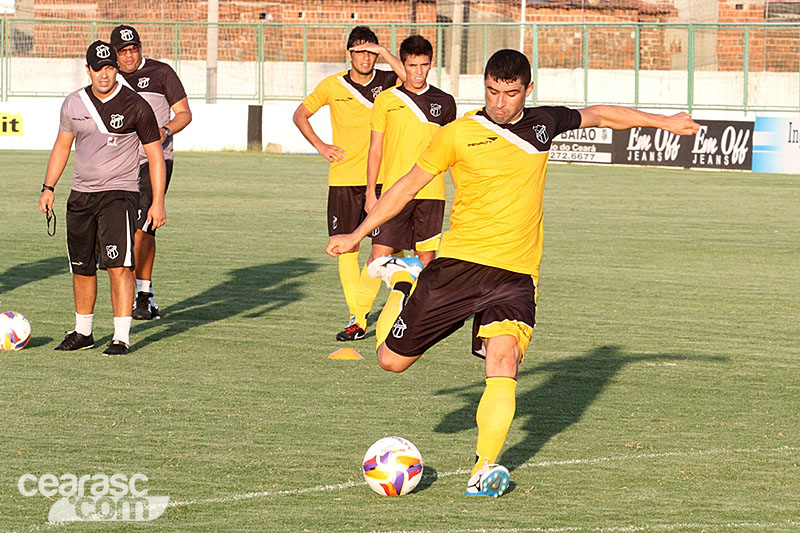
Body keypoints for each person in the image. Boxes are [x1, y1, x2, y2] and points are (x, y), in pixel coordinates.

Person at [326, 49, 700, 496]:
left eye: (510, 93)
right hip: (457, 267)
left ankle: (484, 468)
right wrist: (357, 234)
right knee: (391, 361)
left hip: (516, 275)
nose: (500, 102)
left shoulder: (542, 124)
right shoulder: (458, 133)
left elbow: (600, 114)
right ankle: (408, 281)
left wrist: (666, 121)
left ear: (528, 90)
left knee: (504, 360)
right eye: (492, 91)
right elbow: (406, 185)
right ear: (483, 86)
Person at [38, 40, 166, 356]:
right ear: (88, 70)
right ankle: (83, 332)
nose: (105, 75)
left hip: (119, 195)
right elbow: (62, 146)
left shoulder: (136, 105)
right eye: (99, 69)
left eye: (110, 68)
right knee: (81, 266)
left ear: (116, 69)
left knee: (118, 265)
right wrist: (48, 187)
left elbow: (155, 156)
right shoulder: (73, 104)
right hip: (81, 196)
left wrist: (158, 201)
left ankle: (121, 337)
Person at [293, 26, 405, 342]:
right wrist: (321, 145)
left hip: (384, 178)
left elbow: (410, 80)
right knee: (347, 247)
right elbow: (300, 114)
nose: (366, 58)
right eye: (360, 52)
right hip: (343, 179)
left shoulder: (387, 82)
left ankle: (400, 300)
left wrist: (384, 51)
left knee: (386, 248)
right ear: (349, 54)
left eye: (370, 52)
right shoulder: (332, 85)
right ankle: (357, 317)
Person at [343, 34, 456, 342]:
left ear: (431, 64)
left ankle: (408, 323)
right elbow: (375, 149)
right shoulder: (387, 100)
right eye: (412, 65)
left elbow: (452, 152)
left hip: (432, 194)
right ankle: (359, 318)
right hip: (394, 193)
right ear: (403, 66)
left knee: (425, 263)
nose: (418, 72)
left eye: (424, 65)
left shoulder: (445, 103)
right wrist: (370, 192)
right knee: (377, 258)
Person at [110, 24, 192, 321]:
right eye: (123, 52)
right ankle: (144, 295)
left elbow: (184, 113)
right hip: (119, 165)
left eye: (134, 49)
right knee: (130, 230)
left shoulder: (162, 73)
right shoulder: (110, 78)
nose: (130, 56)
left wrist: (166, 130)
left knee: (142, 225)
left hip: (154, 160)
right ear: (115, 54)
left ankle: (142, 295)